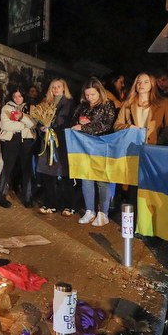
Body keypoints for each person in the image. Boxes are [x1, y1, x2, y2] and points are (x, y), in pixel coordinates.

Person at [70, 78, 118, 227]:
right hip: (84, 147)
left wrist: (85, 127)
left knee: (101, 180)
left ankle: (103, 213)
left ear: (100, 92)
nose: (90, 97)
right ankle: (89, 210)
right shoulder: (83, 105)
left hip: (101, 146)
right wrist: (78, 124)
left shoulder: (107, 105)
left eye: (93, 94)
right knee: (86, 178)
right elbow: (73, 121)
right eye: (87, 95)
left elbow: (106, 125)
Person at [34, 78, 77, 215]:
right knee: (48, 174)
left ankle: (69, 205)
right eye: (53, 87)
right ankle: (50, 203)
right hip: (47, 143)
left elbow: (69, 122)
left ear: (64, 88)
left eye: (59, 86)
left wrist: (54, 128)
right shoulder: (46, 103)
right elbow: (38, 120)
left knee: (65, 174)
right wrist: (42, 128)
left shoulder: (70, 103)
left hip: (62, 143)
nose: (56, 89)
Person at [0, 86, 36, 208]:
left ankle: (27, 197)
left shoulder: (31, 108)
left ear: (24, 96)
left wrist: (22, 117)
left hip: (27, 140)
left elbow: (33, 124)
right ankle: (0, 195)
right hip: (11, 140)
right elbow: (5, 125)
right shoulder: (6, 108)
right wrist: (23, 125)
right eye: (14, 96)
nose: (17, 98)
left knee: (26, 169)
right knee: (7, 168)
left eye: (19, 96)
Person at [114, 72, 168, 146]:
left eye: (146, 82)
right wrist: (129, 127)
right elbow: (117, 126)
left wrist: (160, 141)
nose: (141, 84)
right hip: (131, 147)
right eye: (138, 82)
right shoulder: (127, 104)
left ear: (152, 84)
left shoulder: (165, 105)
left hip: (154, 148)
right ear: (135, 85)